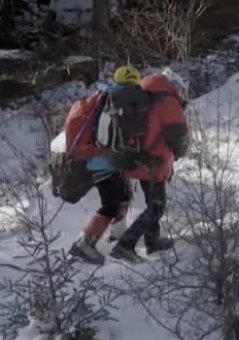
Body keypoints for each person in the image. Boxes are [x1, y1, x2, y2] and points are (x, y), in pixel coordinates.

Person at [109, 67, 190, 263]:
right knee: (157, 207)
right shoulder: (166, 100)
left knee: (152, 202)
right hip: (154, 161)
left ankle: (152, 241)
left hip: (138, 158)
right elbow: (179, 134)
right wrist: (180, 153)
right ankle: (125, 245)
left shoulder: (143, 93)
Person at [67, 65, 142, 265]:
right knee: (111, 205)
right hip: (104, 161)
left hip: (102, 158)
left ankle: (118, 235)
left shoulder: (103, 96)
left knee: (124, 196)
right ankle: (83, 243)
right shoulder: (116, 100)